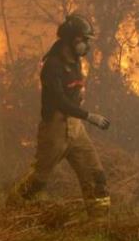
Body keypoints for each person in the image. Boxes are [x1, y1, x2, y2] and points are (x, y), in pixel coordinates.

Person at [8, 14, 112, 218]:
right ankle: (12, 209)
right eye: (85, 40)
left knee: (95, 174)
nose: (87, 46)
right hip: (54, 129)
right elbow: (59, 101)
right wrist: (90, 116)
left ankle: (99, 221)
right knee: (39, 179)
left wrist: (80, 113)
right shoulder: (52, 65)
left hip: (76, 128)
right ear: (73, 39)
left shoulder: (75, 62)